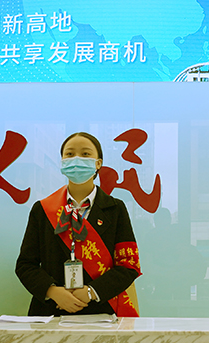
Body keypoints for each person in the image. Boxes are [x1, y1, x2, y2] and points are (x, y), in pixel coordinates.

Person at [16, 131, 141, 316]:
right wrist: (53, 292)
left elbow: (128, 265)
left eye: (85, 154)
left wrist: (91, 292)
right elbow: (25, 265)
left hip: (100, 312)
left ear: (98, 163)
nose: (76, 159)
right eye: (69, 154)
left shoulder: (115, 209)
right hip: (51, 311)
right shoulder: (42, 210)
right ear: (62, 161)